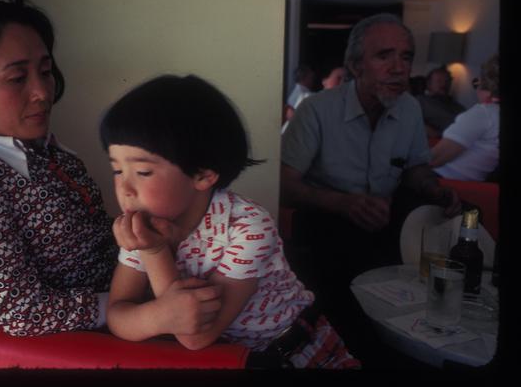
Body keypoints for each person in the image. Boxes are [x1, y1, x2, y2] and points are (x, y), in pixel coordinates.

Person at [0, 0, 217, 337]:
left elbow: (105, 248)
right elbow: (18, 312)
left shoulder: (53, 155)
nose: (42, 91)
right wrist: (138, 310)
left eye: (45, 71)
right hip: (115, 338)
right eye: (17, 79)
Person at [100, 74, 360, 369]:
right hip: (233, 360)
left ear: (202, 175)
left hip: (301, 351)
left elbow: (195, 337)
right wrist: (158, 316)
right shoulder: (142, 229)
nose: (124, 188)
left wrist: (155, 254)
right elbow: (118, 313)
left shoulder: (247, 226)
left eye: (142, 172)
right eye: (117, 170)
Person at [280, 13, 461, 365]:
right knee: (357, 316)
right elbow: (284, 187)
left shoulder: (409, 108)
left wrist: (434, 189)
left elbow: (415, 170)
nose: (398, 68)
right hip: (325, 228)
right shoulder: (316, 110)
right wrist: (342, 203)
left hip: (384, 225)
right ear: (355, 66)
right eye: (384, 56)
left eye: (406, 57)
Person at [430, 54, 499, 181]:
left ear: (487, 85)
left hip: (442, 179)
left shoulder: (485, 113)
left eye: (477, 82)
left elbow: (434, 160)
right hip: (473, 186)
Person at [416, 66, 465, 138]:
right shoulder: (420, 101)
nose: (444, 85)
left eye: (447, 81)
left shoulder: (458, 107)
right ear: (429, 84)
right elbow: (410, 122)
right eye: (439, 81)